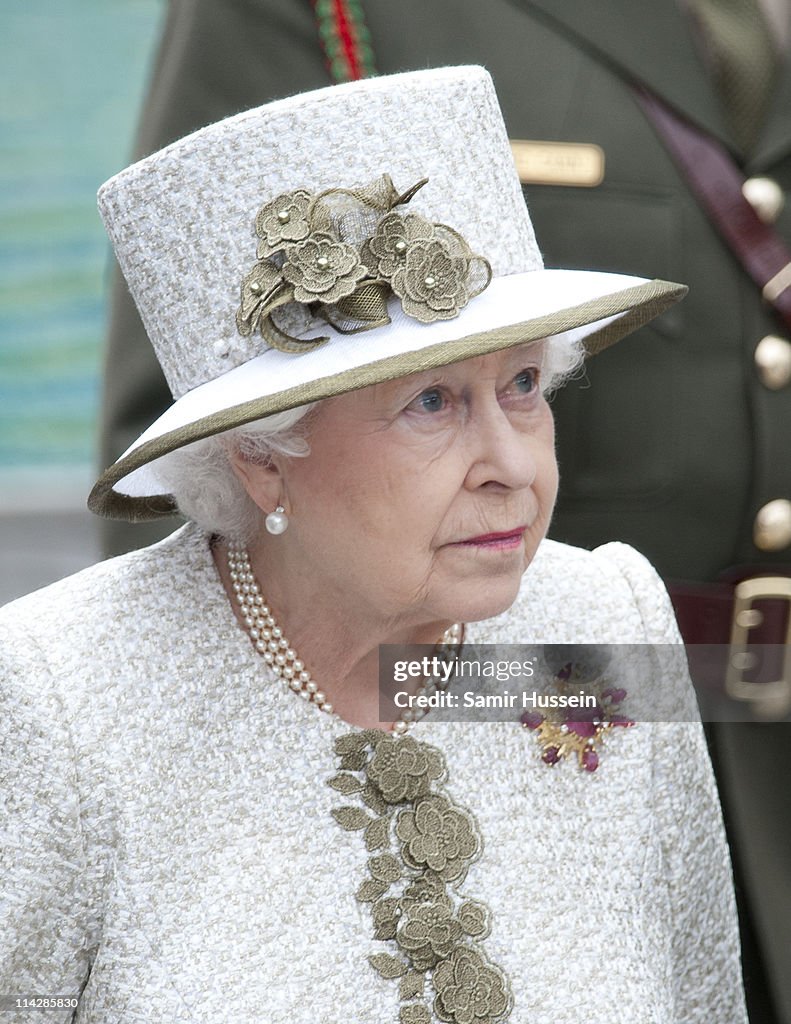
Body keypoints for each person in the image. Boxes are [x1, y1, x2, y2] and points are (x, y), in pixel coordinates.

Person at [0, 67, 745, 1022]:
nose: (509, 463)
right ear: (264, 461)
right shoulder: (60, 702)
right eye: (432, 403)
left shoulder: (598, 626)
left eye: (522, 384)